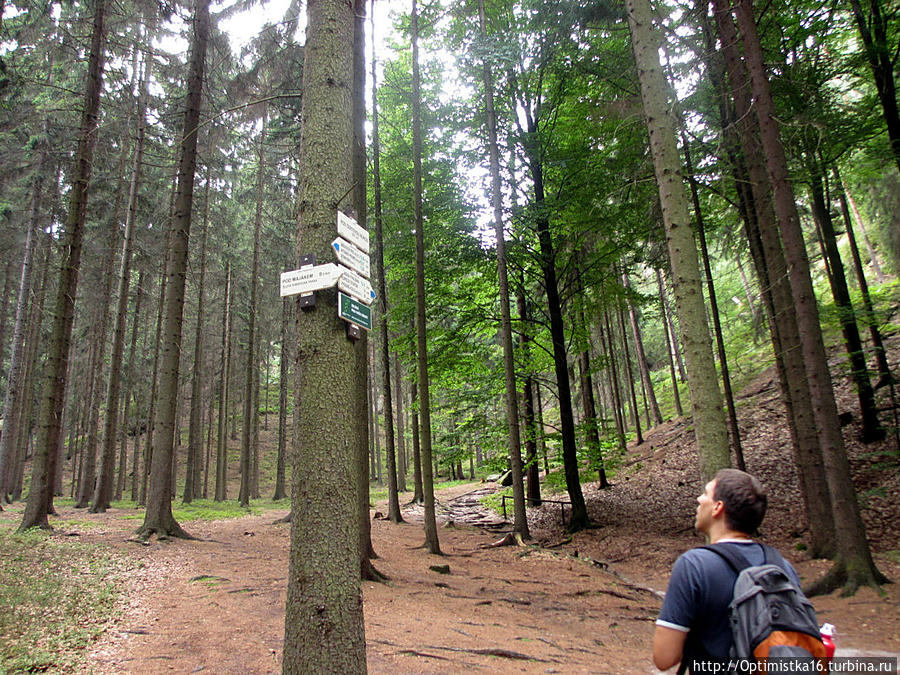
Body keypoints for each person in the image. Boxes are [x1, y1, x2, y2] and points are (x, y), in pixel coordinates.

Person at [652, 468, 805, 673]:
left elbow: (664, 658)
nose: (699, 499)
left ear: (718, 507)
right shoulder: (783, 567)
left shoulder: (693, 566)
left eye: (706, 493)